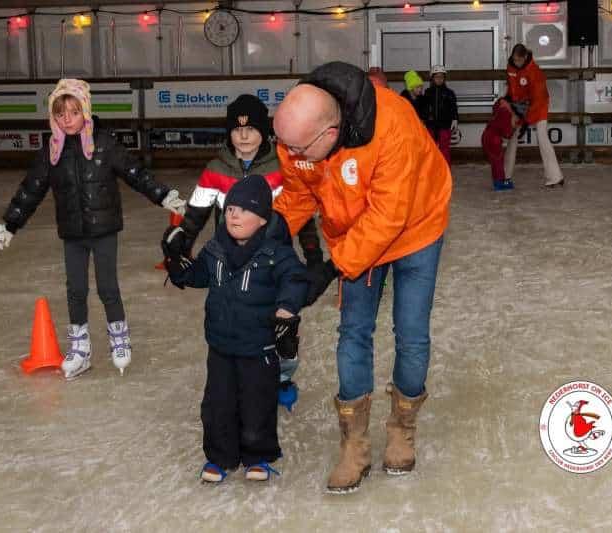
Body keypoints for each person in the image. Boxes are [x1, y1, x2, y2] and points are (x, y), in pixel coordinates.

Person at [271, 62, 452, 494]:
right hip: (354, 230)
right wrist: (263, 238)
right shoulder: (299, 140)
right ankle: (354, 443)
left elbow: (389, 215)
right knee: (353, 330)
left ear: (330, 133)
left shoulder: (394, 126)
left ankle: (402, 429)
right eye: (284, 145)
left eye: (297, 148)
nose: (289, 155)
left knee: (411, 333)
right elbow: (298, 193)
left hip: (416, 229)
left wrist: (332, 266)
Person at [0, 79, 186, 379]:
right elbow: (31, 189)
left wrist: (163, 195)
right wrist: (10, 224)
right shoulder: (52, 152)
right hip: (73, 233)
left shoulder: (104, 144)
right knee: (76, 290)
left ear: (85, 110)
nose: (67, 120)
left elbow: (135, 172)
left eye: (73, 112)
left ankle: (119, 339)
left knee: (108, 287)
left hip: (104, 229)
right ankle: (80, 348)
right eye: (60, 114)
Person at [163, 93, 321, 411]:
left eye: (251, 129)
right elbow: (195, 215)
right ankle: (237, 376)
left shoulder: (282, 168)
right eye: (237, 130)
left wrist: (313, 256)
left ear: (264, 132)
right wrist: (182, 246)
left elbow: (302, 215)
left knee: (278, 322)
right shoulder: (216, 169)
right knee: (236, 319)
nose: (244, 136)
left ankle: (282, 375)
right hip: (230, 261)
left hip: (273, 262)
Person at [162, 175, 308, 483]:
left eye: (244, 210)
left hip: (259, 346)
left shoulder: (276, 253)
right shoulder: (215, 249)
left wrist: (286, 309)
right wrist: (175, 258)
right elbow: (195, 276)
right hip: (221, 345)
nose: (234, 216)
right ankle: (219, 456)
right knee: (218, 404)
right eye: (230, 209)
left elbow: (295, 279)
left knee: (258, 403)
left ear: (263, 218)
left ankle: (258, 456)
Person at [505, 43, 564, 188]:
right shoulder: (510, 68)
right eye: (515, 59)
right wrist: (508, 102)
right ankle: (505, 176)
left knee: (542, 138)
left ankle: (555, 177)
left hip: (539, 105)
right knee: (512, 138)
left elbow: (538, 99)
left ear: (525, 57)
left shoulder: (535, 72)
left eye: (519, 60)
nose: (517, 63)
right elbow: (512, 89)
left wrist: (526, 121)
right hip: (520, 106)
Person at [422, 65, 458, 165]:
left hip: (444, 126)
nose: (439, 79)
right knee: (431, 150)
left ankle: (445, 170)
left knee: (444, 149)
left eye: (441, 77)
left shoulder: (449, 93)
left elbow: (453, 108)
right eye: (436, 77)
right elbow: (424, 108)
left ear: (444, 78)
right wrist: (423, 120)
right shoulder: (428, 93)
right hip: (431, 125)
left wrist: (455, 119)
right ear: (432, 78)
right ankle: (432, 170)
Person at [482, 97, 521, 191]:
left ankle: (498, 182)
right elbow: (507, 134)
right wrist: (513, 126)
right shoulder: (507, 114)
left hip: (486, 136)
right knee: (498, 161)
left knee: (495, 161)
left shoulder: (500, 109)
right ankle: (500, 183)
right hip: (494, 139)